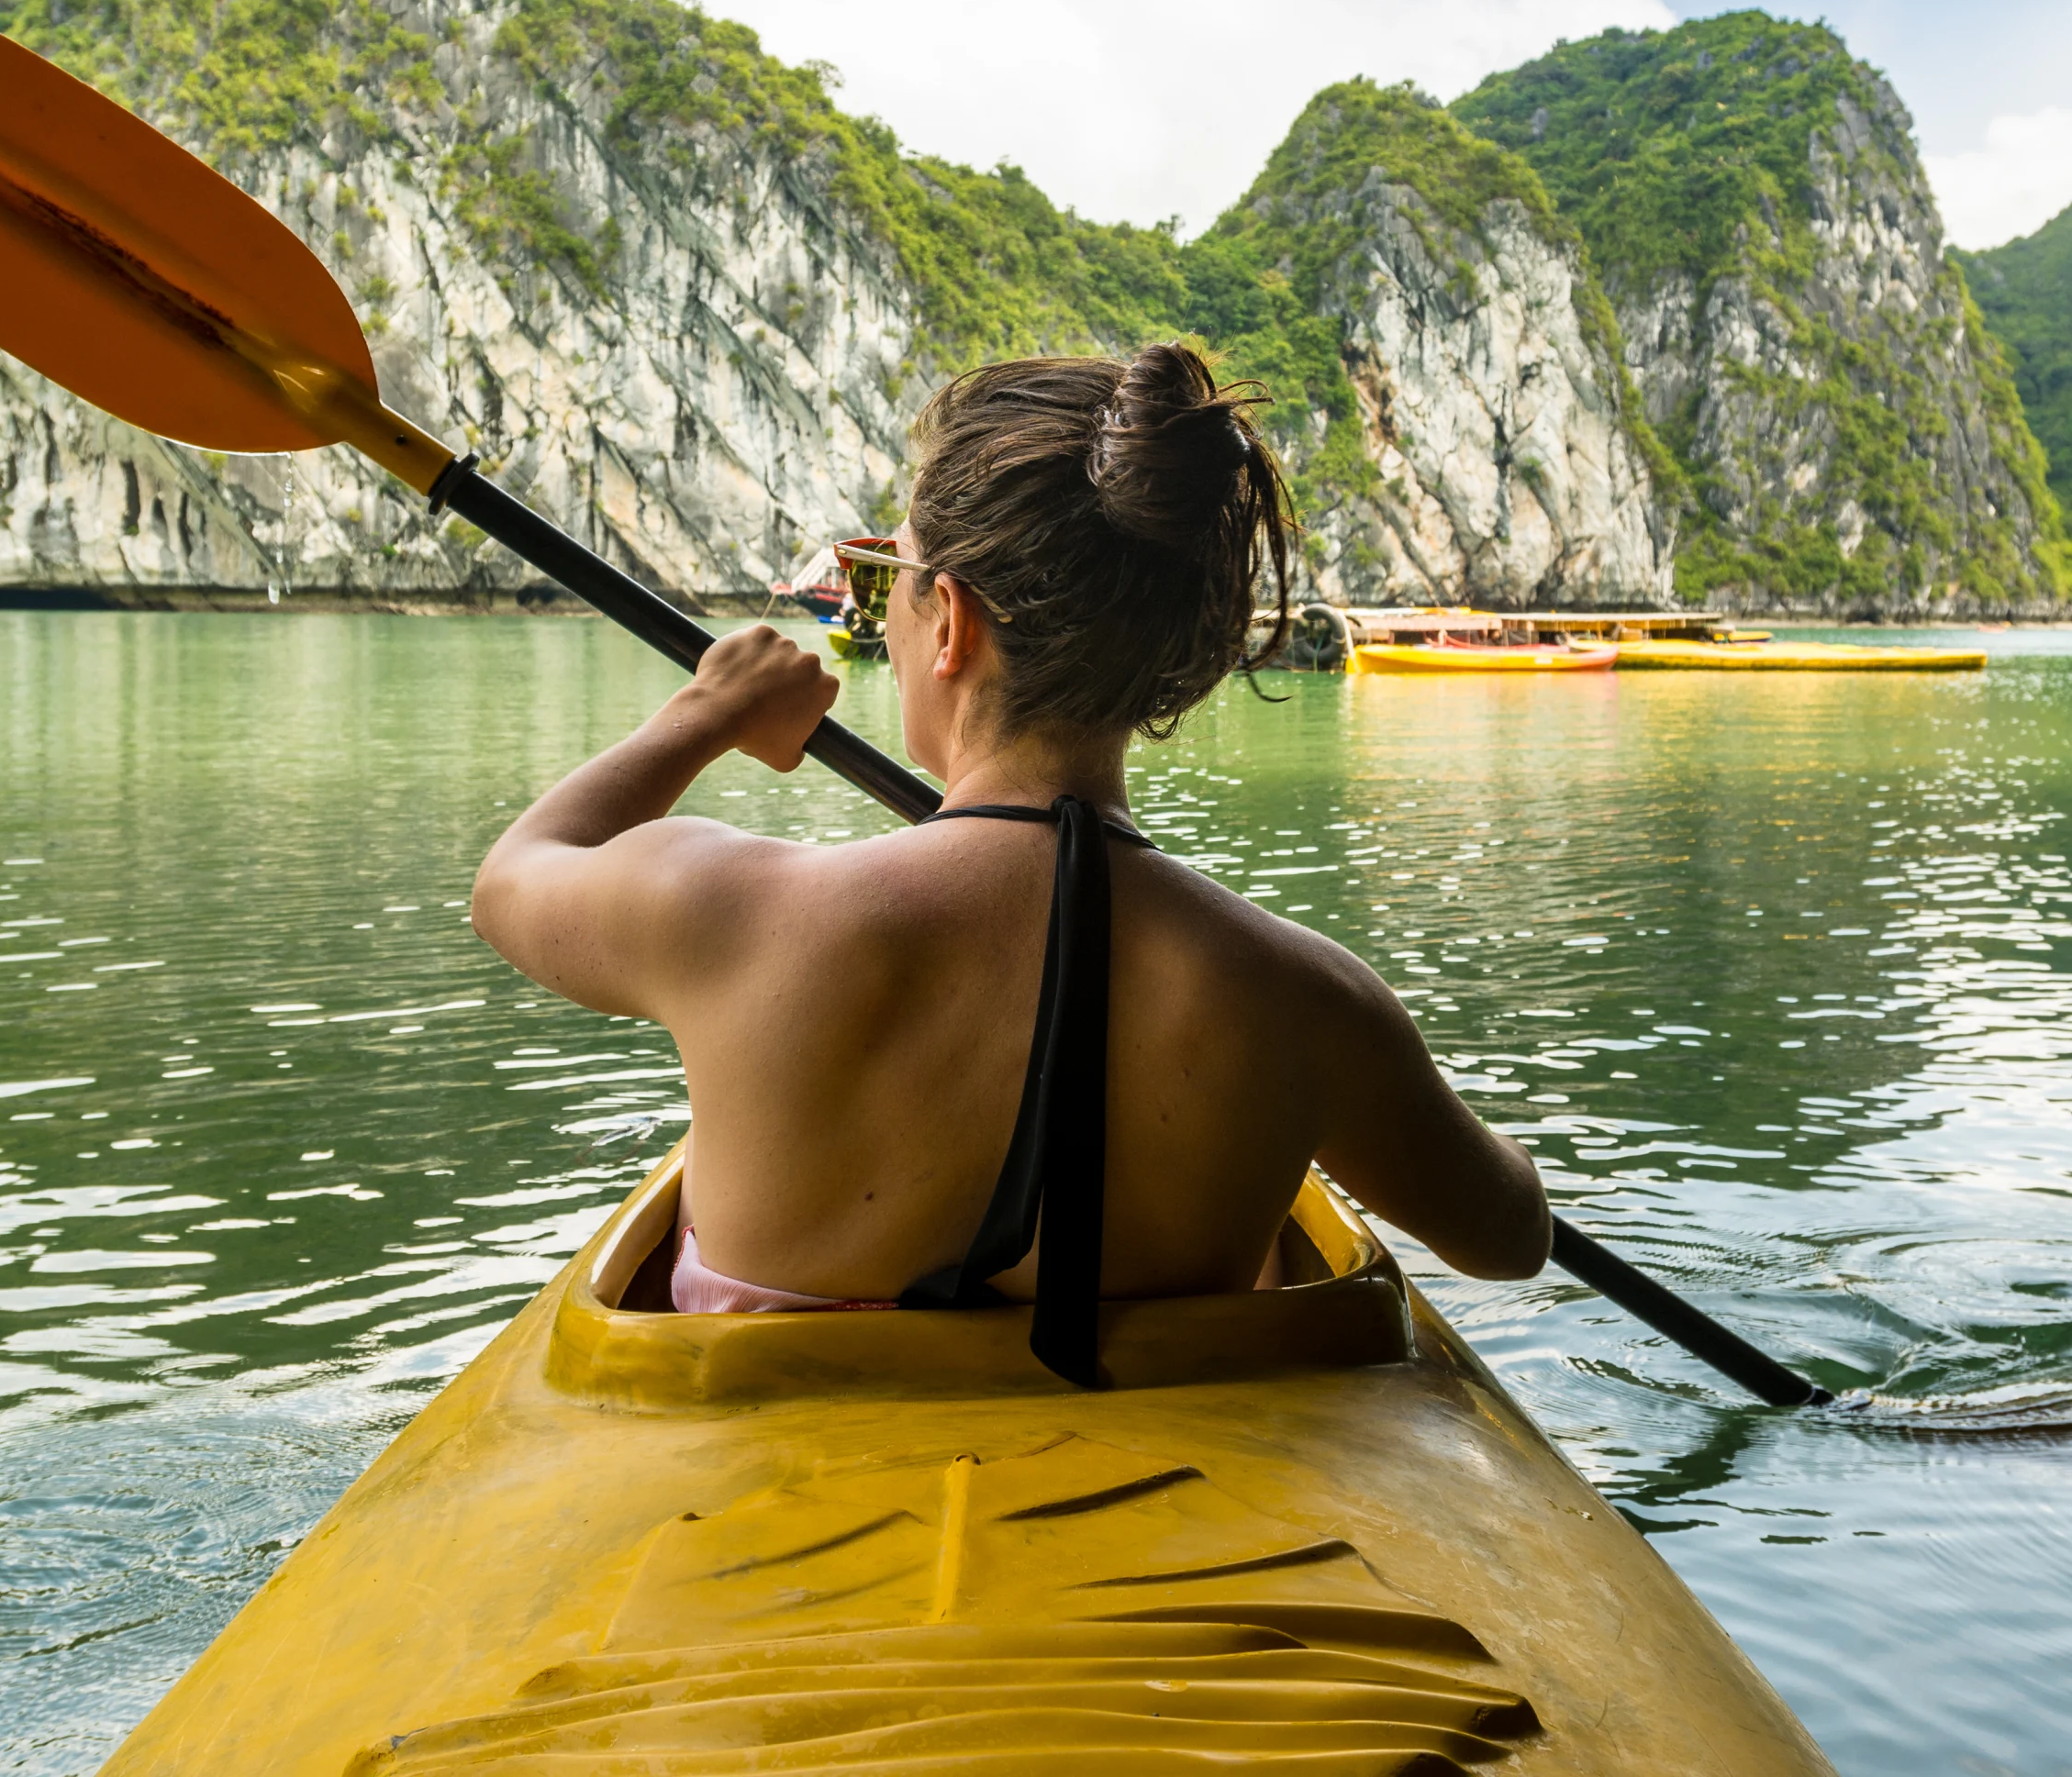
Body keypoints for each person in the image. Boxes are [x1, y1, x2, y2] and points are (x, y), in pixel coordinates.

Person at [470, 344, 1548, 1381]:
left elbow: (516, 877)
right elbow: (1511, 1234)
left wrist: (700, 717)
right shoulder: (1308, 1000)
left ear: (950, 622)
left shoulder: (731, 910)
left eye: (883, 576)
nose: (875, 614)